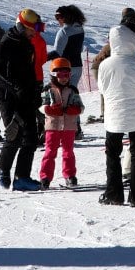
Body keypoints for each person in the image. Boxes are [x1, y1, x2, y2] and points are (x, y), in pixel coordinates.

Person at [98, 24, 135, 207]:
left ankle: (113, 193)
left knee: (112, 154)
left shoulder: (104, 65)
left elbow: (102, 89)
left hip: (114, 116)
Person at [0, 9, 44, 191]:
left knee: (31, 136)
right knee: (14, 135)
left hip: (26, 97)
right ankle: (4, 169)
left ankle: (22, 177)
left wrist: (36, 90)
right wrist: (16, 87)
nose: (35, 33)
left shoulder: (28, 45)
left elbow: (31, 72)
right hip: (8, 97)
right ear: (21, 26)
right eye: (32, 29)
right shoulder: (5, 44)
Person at [38, 58, 84, 188]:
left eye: (67, 75)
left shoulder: (73, 90)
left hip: (69, 126)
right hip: (52, 126)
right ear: (53, 75)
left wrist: (74, 110)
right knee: (50, 151)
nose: (64, 78)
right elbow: (42, 106)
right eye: (60, 75)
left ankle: (70, 175)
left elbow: (81, 107)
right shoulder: (48, 90)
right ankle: (45, 177)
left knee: (68, 151)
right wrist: (49, 109)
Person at [48, 5, 87, 88]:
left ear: (66, 17)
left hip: (64, 68)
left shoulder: (64, 31)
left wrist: (43, 58)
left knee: (60, 95)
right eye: (56, 17)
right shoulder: (80, 29)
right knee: (71, 94)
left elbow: (57, 53)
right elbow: (80, 49)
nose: (58, 20)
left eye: (59, 16)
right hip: (78, 67)